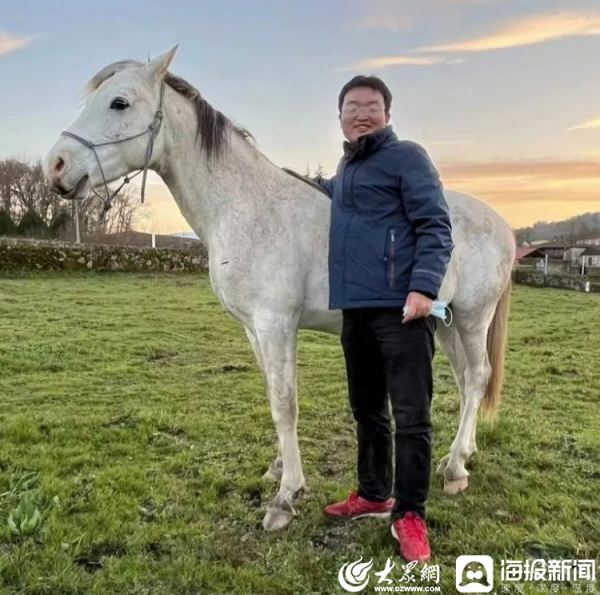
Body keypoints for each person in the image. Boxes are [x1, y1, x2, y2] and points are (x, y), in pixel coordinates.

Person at [314, 76, 454, 563]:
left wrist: (423, 288)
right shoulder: (346, 169)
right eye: (352, 106)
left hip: (403, 310)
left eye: (371, 105)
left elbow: (435, 224)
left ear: (387, 115)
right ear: (340, 116)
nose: (361, 113)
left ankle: (410, 514)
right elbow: (337, 198)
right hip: (356, 309)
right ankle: (374, 494)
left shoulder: (407, 156)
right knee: (368, 409)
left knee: (412, 417)